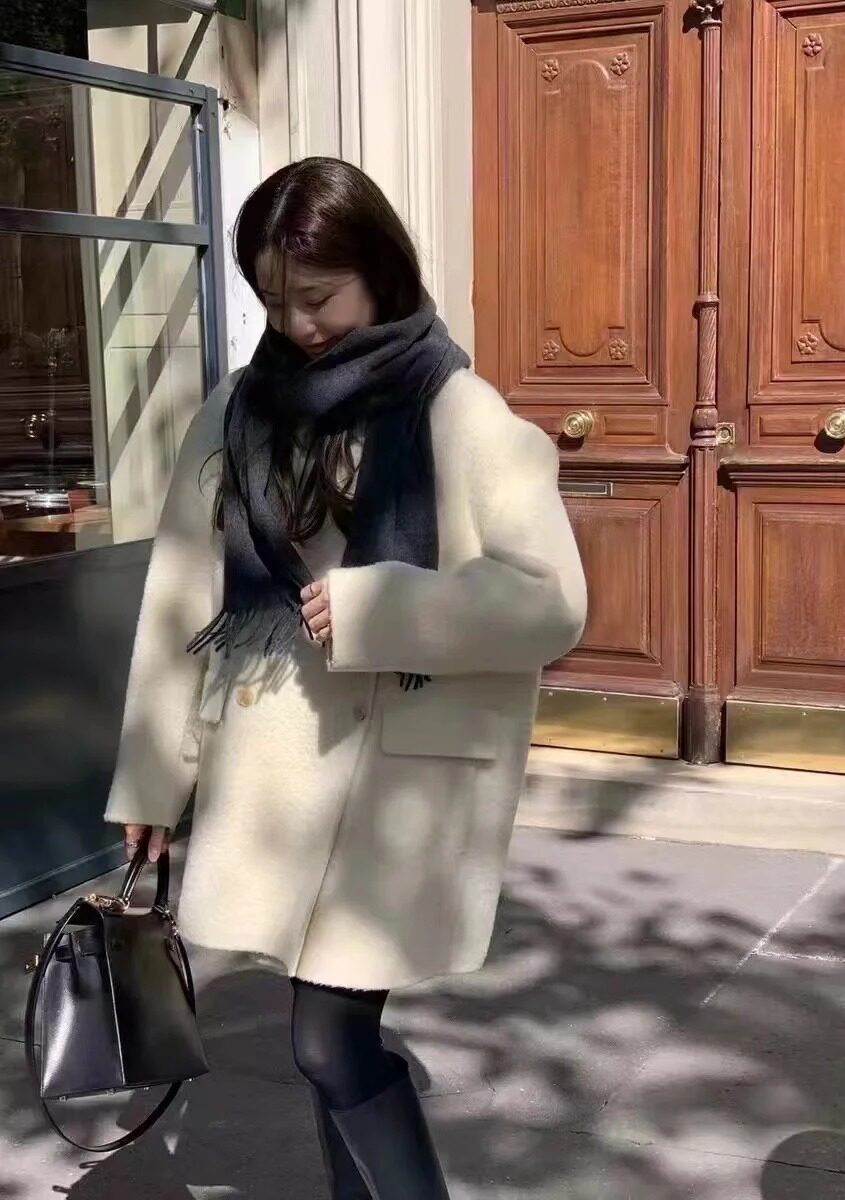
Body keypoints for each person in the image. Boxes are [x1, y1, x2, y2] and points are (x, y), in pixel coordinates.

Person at [105, 157, 587, 1198]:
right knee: (328, 1047)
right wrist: (152, 778)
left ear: (380, 269)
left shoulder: (457, 409)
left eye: (319, 295)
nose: (299, 323)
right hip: (277, 772)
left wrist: (385, 608)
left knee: (327, 1041)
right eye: (275, 299)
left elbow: (552, 600)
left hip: (399, 786)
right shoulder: (241, 407)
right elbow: (182, 595)